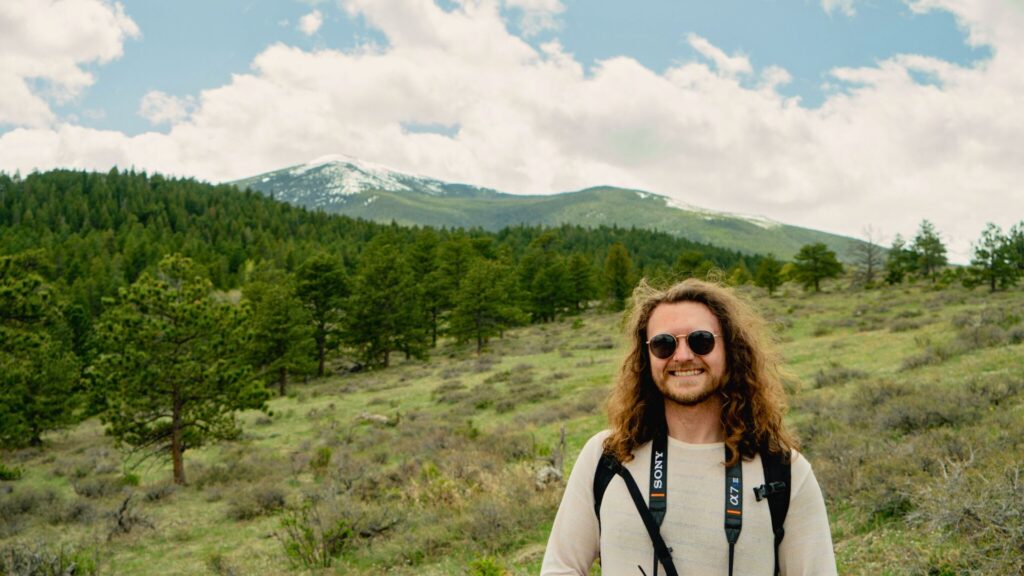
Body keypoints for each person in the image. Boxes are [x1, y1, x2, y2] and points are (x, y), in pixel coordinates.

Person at [541, 278, 836, 576]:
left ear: (731, 349)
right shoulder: (607, 458)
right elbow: (560, 567)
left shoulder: (784, 472)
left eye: (701, 340)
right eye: (663, 344)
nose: (682, 356)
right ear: (647, 357)